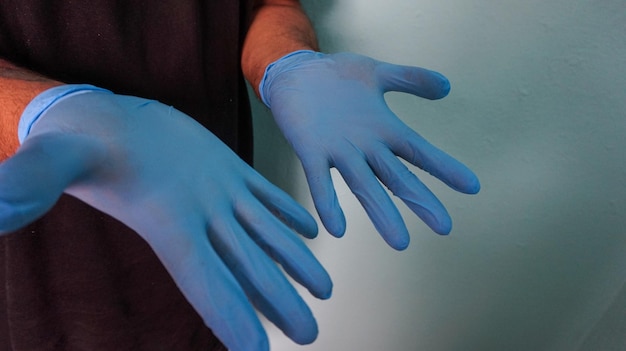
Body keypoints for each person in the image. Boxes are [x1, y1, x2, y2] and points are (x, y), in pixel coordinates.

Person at [0, 1, 480, 350]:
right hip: (37, 277)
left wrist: (287, 62)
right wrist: (40, 109)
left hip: (213, 226)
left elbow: (264, 4)